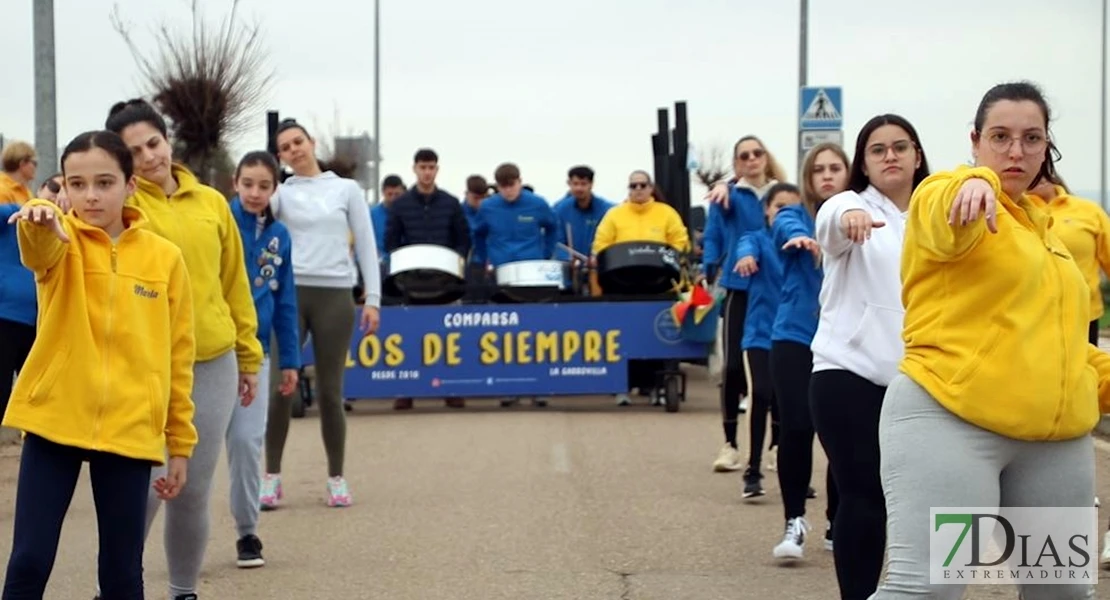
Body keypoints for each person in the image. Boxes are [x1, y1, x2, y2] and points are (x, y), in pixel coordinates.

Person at [871, 81, 1110, 599]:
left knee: (1063, 595)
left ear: (1047, 147)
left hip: (1053, 443)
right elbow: (938, 210)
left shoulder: (1048, 237)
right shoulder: (955, 200)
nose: (1016, 151)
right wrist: (970, 184)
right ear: (975, 141)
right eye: (1000, 136)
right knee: (929, 591)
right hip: (952, 423)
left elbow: (1062, 344)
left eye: (1032, 138)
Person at [1, 130, 197, 599]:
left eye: (105, 182)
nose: (91, 196)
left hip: (130, 426)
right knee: (28, 560)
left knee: (122, 572)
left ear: (130, 185)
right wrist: (38, 219)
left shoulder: (166, 259)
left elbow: (178, 354)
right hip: (54, 417)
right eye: (77, 183)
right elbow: (36, 250)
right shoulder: (58, 241)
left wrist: (180, 442)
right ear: (63, 186)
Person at [104, 99, 263, 600]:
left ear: (166, 139)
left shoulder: (213, 203)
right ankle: (117, 588)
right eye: (134, 152)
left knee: (192, 489)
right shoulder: (123, 208)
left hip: (212, 361)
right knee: (147, 487)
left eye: (153, 142)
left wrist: (248, 355)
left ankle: (182, 590)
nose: (149, 156)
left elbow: (234, 284)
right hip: (147, 365)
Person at [808, 115, 929, 599]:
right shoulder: (854, 206)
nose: (891, 156)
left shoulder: (935, 211)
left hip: (923, 380)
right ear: (864, 163)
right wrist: (845, 214)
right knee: (865, 495)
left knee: (927, 501)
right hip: (848, 375)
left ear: (918, 155)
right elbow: (830, 218)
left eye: (901, 147)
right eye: (878, 150)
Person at [265, 118, 381, 509]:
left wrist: (374, 298)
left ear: (312, 142)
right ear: (279, 156)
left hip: (335, 294)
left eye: (298, 141)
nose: (294, 150)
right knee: (282, 387)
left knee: (332, 392)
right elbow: (256, 220)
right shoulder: (280, 193)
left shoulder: (345, 189)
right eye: (285, 147)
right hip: (290, 295)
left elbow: (365, 242)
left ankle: (336, 477)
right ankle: (272, 476)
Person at [767, 143, 841, 562]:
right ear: (809, 179)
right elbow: (783, 224)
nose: (827, 176)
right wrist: (797, 236)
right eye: (819, 170)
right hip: (795, 335)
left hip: (843, 341)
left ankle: (837, 518)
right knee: (797, 427)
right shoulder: (798, 216)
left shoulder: (860, 217)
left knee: (840, 438)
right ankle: (794, 522)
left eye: (835, 168)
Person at [227, 151, 301, 569]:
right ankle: (181, 538)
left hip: (256, 354)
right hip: (210, 350)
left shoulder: (280, 236)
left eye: (264, 186)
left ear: (275, 189)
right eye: (248, 183)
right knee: (188, 453)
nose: (255, 193)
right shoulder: (219, 221)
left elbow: (285, 299)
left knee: (245, 442)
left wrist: (290, 359)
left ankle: (246, 532)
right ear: (235, 182)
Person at [704, 136, 781, 472]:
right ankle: (730, 445)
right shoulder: (728, 196)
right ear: (737, 164)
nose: (751, 159)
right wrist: (709, 267)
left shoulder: (784, 193)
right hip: (739, 286)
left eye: (757, 153)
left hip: (776, 288)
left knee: (777, 367)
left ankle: (777, 446)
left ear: (766, 157)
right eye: (744, 156)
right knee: (733, 367)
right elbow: (714, 233)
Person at [592, 170, 691, 406]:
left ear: (650, 188)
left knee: (654, 333)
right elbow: (601, 244)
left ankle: (655, 386)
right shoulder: (615, 215)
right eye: (633, 186)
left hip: (657, 283)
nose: (637, 190)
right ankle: (623, 386)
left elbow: (680, 241)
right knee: (623, 333)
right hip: (622, 283)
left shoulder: (666, 213)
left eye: (642, 185)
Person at [385, 148, 470, 409]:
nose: (427, 172)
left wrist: (454, 263)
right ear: (414, 169)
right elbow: (390, 241)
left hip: (444, 281)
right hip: (412, 281)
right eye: (422, 167)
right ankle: (406, 390)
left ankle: (451, 388)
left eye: (431, 167)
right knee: (410, 335)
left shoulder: (450, 203)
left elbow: (463, 240)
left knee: (447, 336)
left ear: (437, 170)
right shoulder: (401, 205)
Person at [733, 182, 801, 498]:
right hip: (760, 336)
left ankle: (795, 475)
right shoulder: (757, 239)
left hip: (794, 335)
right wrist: (746, 258)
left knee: (791, 405)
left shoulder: (805, 245)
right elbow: (745, 246)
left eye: (792, 208)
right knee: (761, 393)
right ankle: (753, 470)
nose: (785, 213)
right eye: (779, 207)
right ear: (767, 211)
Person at [473, 163, 557, 408]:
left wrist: (547, 254)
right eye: (503, 187)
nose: (509, 191)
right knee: (504, 333)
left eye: (512, 185)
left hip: (532, 275)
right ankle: (508, 388)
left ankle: (539, 388)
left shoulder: (537, 203)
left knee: (536, 331)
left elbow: (553, 227)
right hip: (501, 274)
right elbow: (478, 234)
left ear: (520, 181)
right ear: (497, 187)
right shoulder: (488, 207)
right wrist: (482, 258)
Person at [1027, 177, 1110, 347]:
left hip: (1084, 315)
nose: (1041, 176)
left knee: (1087, 371)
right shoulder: (1013, 211)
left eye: (1046, 169)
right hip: (1029, 317)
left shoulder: (1089, 211)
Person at [0, 143, 42, 425]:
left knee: (32, 391)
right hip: (5, 306)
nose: (35, 168)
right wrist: (23, 209)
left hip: (30, 311)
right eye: (33, 162)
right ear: (21, 162)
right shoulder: (4, 189)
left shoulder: (28, 194)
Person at [554, 165, 612, 293]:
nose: (579, 188)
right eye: (575, 184)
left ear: (591, 184)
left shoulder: (608, 210)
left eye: (583, 184)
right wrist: (568, 258)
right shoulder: (559, 209)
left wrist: (598, 257)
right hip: (571, 274)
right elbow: (556, 242)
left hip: (601, 273)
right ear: (568, 184)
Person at [372, 174, 406, 260]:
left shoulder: (410, 214)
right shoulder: (371, 215)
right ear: (383, 192)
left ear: (403, 192)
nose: (393, 198)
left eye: (397, 194)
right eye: (389, 194)